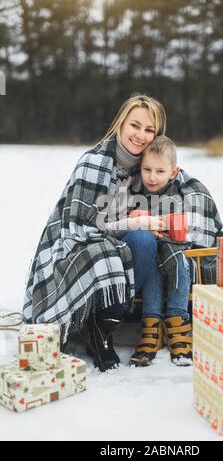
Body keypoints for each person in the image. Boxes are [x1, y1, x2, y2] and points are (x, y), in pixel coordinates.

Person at [22, 94, 167, 372]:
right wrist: (134, 222)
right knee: (118, 247)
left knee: (145, 241)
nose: (140, 136)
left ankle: (102, 325)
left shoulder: (146, 167)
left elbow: (185, 186)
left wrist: (177, 184)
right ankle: (89, 321)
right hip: (75, 243)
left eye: (149, 130)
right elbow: (81, 227)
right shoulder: (95, 162)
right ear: (121, 124)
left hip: (112, 239)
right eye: (135, 126)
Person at [102, 135, 223, 367]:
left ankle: (179, 323)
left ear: (173, 172)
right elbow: (122, 221)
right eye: (147, 169)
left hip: (178, 251)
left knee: (178, 261)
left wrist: (164, 225)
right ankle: (150, 325)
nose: (152, 177)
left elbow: (196, 228)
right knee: (153, 267)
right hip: (151, 254)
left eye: (159, 171)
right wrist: (136, 219)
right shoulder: (136, 192)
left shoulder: (183, 192)